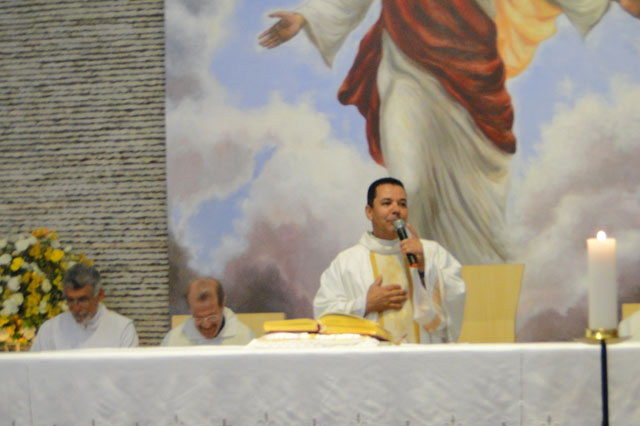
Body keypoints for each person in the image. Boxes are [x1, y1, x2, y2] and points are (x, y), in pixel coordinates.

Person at [258, 0, 640, 265]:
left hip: (471, 75)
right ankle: (411, 283)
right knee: (410, 184)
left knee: (477, 206)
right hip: (406, 69)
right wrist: (306, 17)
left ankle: (474, 287)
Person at [313, 178, 466, 343]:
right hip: (372, 357)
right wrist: (365, 304)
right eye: (387, 203)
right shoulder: (347, 262)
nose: (396, 210)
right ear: (369, 212)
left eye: (402, 204)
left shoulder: (430, 252)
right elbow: (324, 314)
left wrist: (424, 269)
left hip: (422, 355)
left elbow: (455, 296)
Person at [30, 263, 139, 351]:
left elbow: (130, 371)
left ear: (100, 295)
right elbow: (34, 369)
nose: (76, 308)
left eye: (82, 300)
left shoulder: (123, 330)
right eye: (70, 300)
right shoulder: (50, 330)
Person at [161, 277, 254, 346]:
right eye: (199, 318)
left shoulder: (246, 339)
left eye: (211, 317)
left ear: (222, 304)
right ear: (190, 310)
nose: (206, 325)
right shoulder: (172, 342)